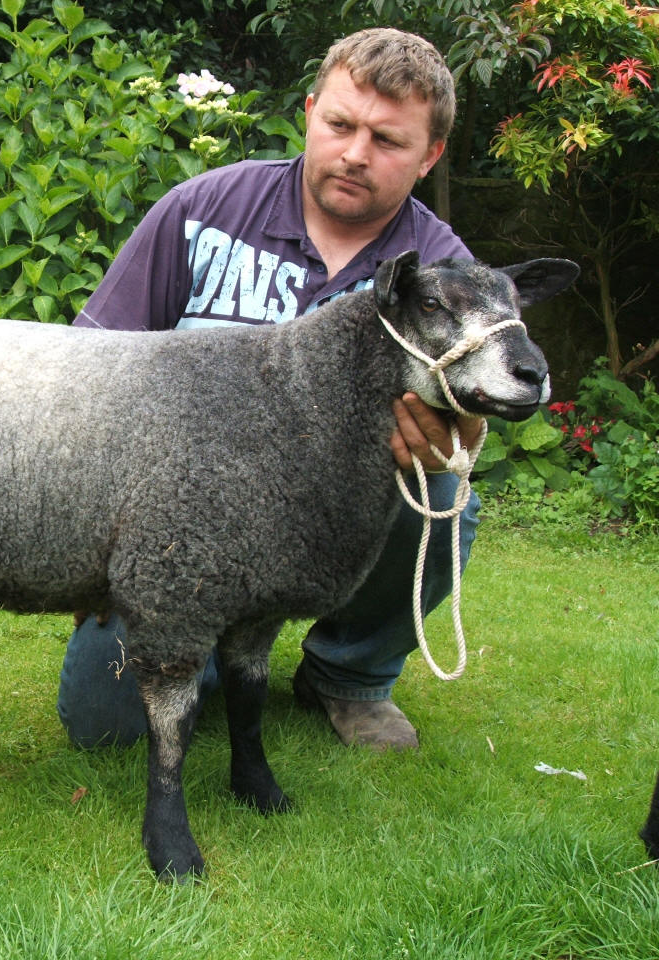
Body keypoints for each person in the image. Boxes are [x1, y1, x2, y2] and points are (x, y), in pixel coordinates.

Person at [56, 27, 485, 752]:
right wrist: (91, 552)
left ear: (431, 155)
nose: (354, 153)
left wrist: (455, 442)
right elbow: (86, 371)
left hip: (334, 517)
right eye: (339, 124)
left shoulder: (442, 273)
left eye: (387, 139)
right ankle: (212, 652)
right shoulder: (203, 210)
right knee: (107, 727)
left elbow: (466, 426)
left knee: (441, 498)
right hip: (174, 530)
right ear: (311, 110)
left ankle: (347, 675)